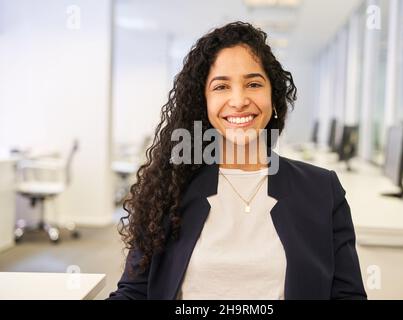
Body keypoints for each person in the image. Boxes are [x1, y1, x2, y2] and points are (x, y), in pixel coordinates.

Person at [108, 21, 366, 300]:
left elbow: (347, 295)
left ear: (273, 96)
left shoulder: (322, 189)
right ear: (202, 102)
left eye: (253, 84)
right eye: (221, 87)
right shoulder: (169, 190)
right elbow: (134, 292)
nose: (239, 100)